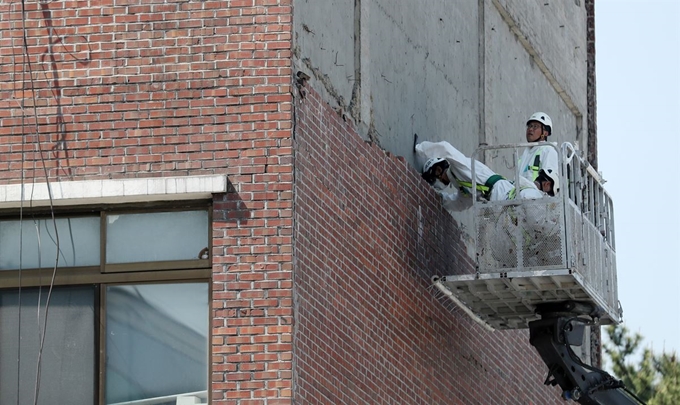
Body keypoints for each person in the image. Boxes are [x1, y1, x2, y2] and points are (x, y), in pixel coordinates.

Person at [416, 140, 544, 211]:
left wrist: (421, 149)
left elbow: (445, 148)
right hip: (498, 199)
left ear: (438, 169)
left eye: (435, 176)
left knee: (529, 204)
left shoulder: (458, 166)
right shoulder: (461, 186)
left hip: (503, 192)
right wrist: (438, 199)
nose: (437, 181)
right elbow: (460, 203)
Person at [519, 112, 560, 195]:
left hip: (536, 198)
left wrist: (535, 185)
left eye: (535, 126)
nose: (530, 129)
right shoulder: (526, 153)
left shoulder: (548, 150)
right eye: (530, 126)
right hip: (521, 196)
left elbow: (549, 179)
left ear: (545, 133)